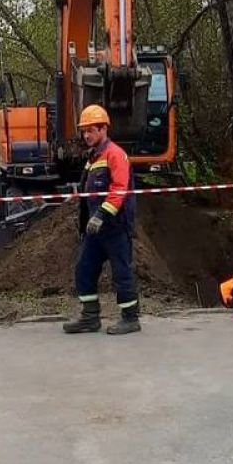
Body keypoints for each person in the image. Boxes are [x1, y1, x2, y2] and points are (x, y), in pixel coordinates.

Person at [63, 104, 141, 335]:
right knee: (84, 269)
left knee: (121, 272)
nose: (86, 135)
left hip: (115, 227)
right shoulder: (93, 157)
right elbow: (90, 192)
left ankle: (130, 318)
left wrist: (101, 215)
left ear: (103, 129)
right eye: (84, 131)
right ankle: (90, 317)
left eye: (91, 130)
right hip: (95, 230)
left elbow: (119, 189)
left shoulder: (115, 154)